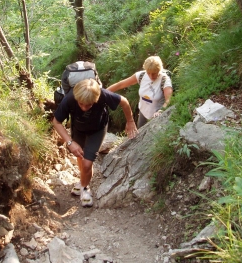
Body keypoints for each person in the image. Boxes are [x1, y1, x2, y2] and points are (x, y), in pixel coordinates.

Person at [52, 78, 138, 207]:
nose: (85, 108)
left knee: (87, 163)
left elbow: (124, 102)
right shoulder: (70, 98)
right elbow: (56, 122)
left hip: (97, 129)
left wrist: (130, 121)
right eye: (81, 104)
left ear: (96, 99)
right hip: (78, 129)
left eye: (89, 104)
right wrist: (70, 142)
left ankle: (85, 188)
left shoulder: (103, 94)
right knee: (80, 156)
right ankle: (82, 181)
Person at [107, 56, 173, 129]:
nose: (151, 76)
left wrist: (161, 111)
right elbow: (121, 84)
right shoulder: (141, 75)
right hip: (143, 113)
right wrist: (103, 92)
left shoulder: (165, 80)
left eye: (154, 73)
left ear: (159, 70)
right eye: (148, 73)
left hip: (156, 116)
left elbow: (168, 100)